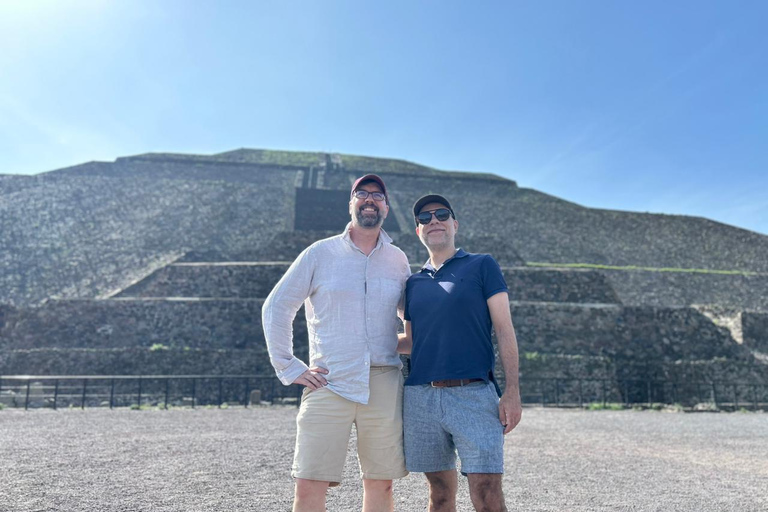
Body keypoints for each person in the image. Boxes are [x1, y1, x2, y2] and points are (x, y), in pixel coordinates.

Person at [262, 174, 410, 512]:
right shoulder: (320, 253)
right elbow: (277, 305)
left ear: (386, 206)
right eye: (362, 194)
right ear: (351, 203)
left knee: (382, 485)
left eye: (377, 195)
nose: (370, 200)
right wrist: (288, 365)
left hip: (384, 382)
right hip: (330, 380)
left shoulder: (398, 259)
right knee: (309, 484)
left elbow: (411, 312)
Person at [398, 194, 522, 512]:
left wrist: (512, 391)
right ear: (418, 231)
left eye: (441, 214)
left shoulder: (482, 265)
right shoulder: (412, 283)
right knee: (439, 493)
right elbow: (411, 341)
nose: (433, 221)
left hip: (474, 394)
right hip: (421, 399)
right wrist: (357, 343)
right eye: (424, 218)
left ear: (455, 223)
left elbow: (505, 330)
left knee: (487, 491)